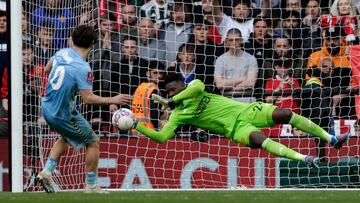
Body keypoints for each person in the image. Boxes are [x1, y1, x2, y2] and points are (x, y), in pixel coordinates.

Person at [131, 73, 351, 168]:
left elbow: (197, 86)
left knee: (284, 114)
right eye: (168, 93)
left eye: (173, 90)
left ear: (181, 86)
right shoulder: (179, 115)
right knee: (259, 139)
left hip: (246, 110)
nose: (170, 94)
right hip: (235, 128)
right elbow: (162, 137)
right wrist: (136, 124)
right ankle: (305, 159)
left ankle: (332, 138)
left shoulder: (195, 87)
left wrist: (172, 101)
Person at [36, 25, 132, 193]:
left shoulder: (62, 52)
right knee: (93, 142)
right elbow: (88, 98)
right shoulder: (83, 68)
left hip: (47, 107)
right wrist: (113, 99)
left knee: (66, 137)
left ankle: (47, 172)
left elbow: (46, 69)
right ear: (93, 44)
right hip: (62, 113)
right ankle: (91, 185)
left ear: (72, 39)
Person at [131, 61, 164, 130]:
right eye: (155, 73)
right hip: (150, 130)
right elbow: (154, 114)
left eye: (161, 73)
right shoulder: (153, 89)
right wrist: (159, 125)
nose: (159, 76)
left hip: (135, 129)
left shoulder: (140, 87)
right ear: (148, 73)